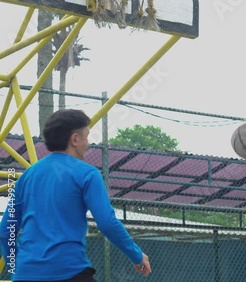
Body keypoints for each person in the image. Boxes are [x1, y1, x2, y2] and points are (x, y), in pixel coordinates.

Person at [0, 109, 151, 281]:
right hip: (68, 273)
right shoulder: (87, 174)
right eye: (86, 136)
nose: (88, 143)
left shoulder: (27, 177)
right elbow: (107, 223)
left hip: (25, 275)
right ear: (75, 139)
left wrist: (17, 269)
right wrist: (136, 255)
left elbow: (5, 232)